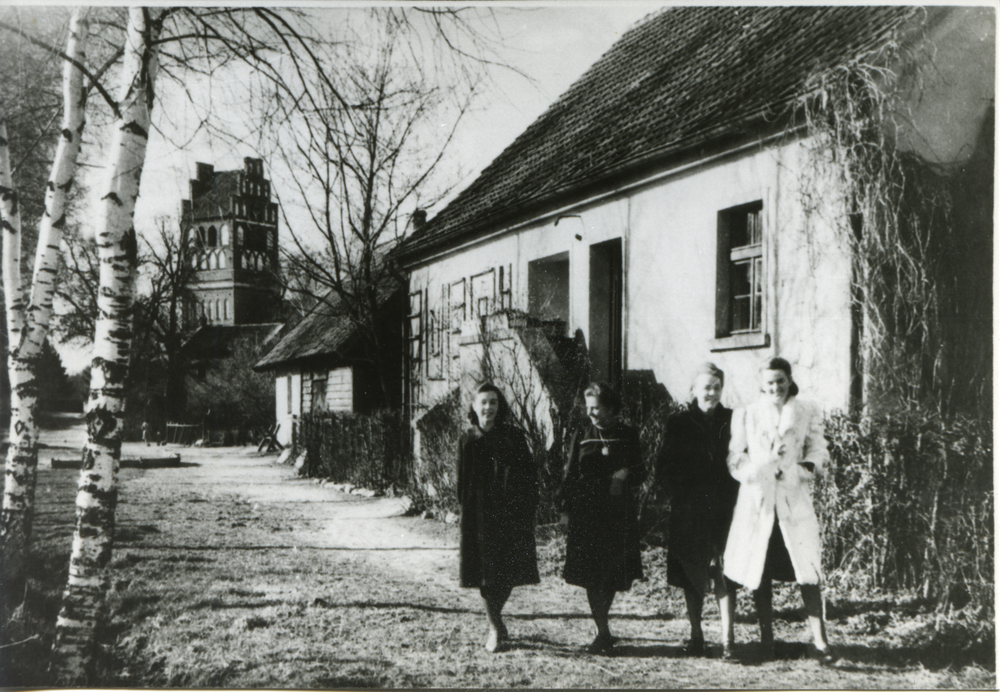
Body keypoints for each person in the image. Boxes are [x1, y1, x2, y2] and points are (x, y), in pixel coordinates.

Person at [723, 357, 834, 664]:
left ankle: (821, 643)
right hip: (758, 502)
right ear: (762, 384)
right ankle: (767, 641)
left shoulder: (806, 410)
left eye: (781, 381)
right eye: (770, 382)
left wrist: (800, 471)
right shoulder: (747, 413)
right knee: (762, 571)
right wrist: (753, 471)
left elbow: (819, 450)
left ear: (789, 380)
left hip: (793, 500)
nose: (776, 387)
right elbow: (734, 456)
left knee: (808, 570)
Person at [658, 362, 739, 659]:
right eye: (706, 387)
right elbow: (663, 467)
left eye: (717, 387)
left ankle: (728, 640)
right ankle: (697, 636)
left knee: (726, 572)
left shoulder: (732, 419)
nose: (712, 393)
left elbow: (742, 458)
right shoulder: (678, 422)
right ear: (693, 390)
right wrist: (682, 491)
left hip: (725, 509)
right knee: (693, 574)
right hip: (690, 510)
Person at [560, 382, 644, 654]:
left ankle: (602, 626)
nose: (591, 413)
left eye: (596, 408)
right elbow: (571, 473)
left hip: (618, 515)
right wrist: (564, 509)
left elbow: (641, 471)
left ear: (610, 407)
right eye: (588, 408)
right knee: (592, 575)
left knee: (610, 574)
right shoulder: (582, 433)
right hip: (587, 514)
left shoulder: (628, 434)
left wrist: (625, 474)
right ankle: (603, 630)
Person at [457, 382, 540, 653]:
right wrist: (466, 515)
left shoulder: (513, 437)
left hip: (510, 514)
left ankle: (496, 618)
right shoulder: (468, 438)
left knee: (507, 574)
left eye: (493, 402)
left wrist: (527, 508)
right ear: (473, 406)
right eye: (483, 402)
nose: (488, 408)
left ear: (499, 406)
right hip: (479, 516)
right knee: (484, 575)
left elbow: (529, 476)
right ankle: (494, 627)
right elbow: (462, 483)